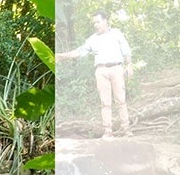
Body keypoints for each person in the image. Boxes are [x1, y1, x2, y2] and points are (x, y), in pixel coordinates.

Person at [57, 11, 133, 139]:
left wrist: (129, 65)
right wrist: (62, 56)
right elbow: (80, 52)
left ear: (105, 21)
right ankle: (108, 131)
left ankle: (126, 129)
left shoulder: (116, 33)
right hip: (101, 70)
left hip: (116, 68)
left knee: (121, 100)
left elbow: (126, 50)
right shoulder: (93, 39)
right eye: (94, 23)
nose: (96, 25)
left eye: (98, 22)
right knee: (105, 102)